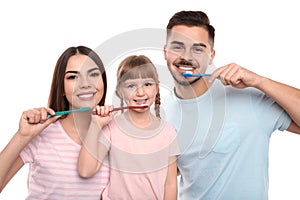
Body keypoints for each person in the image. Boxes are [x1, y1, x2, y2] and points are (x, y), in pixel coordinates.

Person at [162, 10, 300, 200]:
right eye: (177, 47)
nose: (187, 57)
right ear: (165, 52)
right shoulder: (161, 114)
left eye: (198, 49)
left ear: (211, 56)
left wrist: (260, 81)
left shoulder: (249, 97)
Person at [0, 46, 110, 199]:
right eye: (73, 77)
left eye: (93, 75)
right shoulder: (42, 133)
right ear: (62, 88)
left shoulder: (115, 133)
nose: (85, 84)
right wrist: (22, 136)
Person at [78, 55, 179, 200]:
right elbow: (86, 170)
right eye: (131, 86)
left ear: (157, 88)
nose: (140, 92)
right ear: (120, 91)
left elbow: (170, 184)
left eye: (147, 84)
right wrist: (96, 125)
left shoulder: (168, 132)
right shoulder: (111, 127)